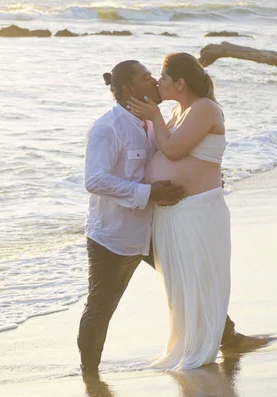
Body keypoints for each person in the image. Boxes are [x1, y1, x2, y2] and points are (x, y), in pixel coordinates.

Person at [78, 59, 256, 377]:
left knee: (192, 276)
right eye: (148, 79)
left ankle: (227, 338)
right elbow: (95, 180)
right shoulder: (107, 128)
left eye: (157, 76)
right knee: (101, 306)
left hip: (152, 227)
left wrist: (208, 175)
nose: (156, 83)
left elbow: (180, 152)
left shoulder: (150, 122)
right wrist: (149, 194)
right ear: (131, 90)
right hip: (115, 234)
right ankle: (90, 373)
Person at [126, 52, 231, 370]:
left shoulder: (204, 108)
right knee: (179, 286)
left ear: (181, 83)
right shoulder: (177, 111)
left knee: (198, 280)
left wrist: (154, 116)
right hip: (174, 214)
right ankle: (186, 342)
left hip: (197, 212)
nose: (159, 82)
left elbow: (173, 149)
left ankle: (202, 348)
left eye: (164, 77)